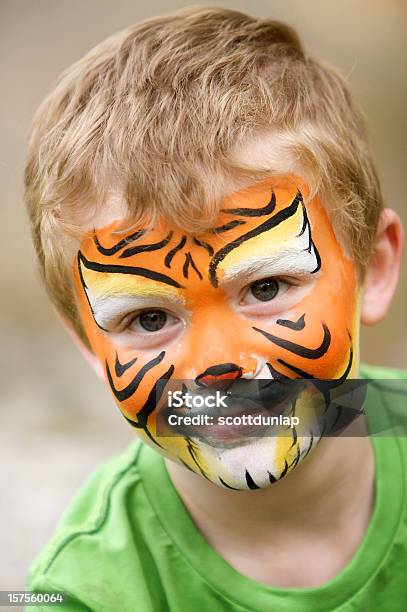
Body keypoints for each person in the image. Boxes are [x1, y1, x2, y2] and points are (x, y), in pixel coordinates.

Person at [25, 6, 406, 611]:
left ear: (375, 269)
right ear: (86, 343)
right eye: (149, 319)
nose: (217, 365)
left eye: (266, 287)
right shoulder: (83, 592)